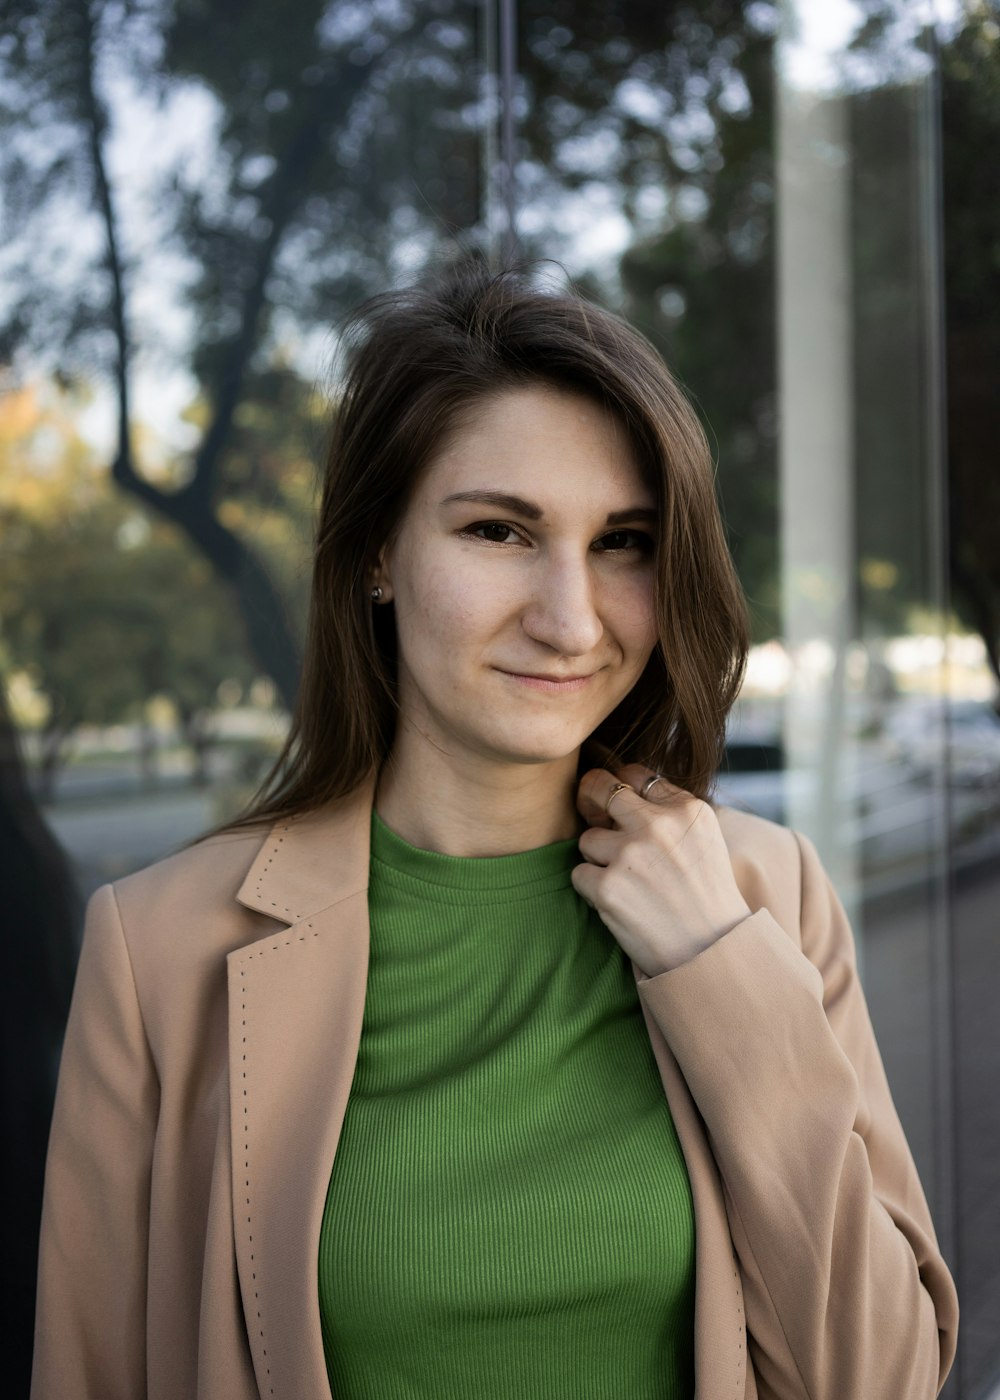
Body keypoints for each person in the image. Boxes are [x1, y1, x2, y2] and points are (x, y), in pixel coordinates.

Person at [31, 260, 959, 1400]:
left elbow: (885, 1378)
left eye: (621, 541)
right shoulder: (157, 949)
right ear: (376, 552)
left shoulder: (761, 892)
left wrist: (715, 964)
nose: (570, 619)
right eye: (499, 531)